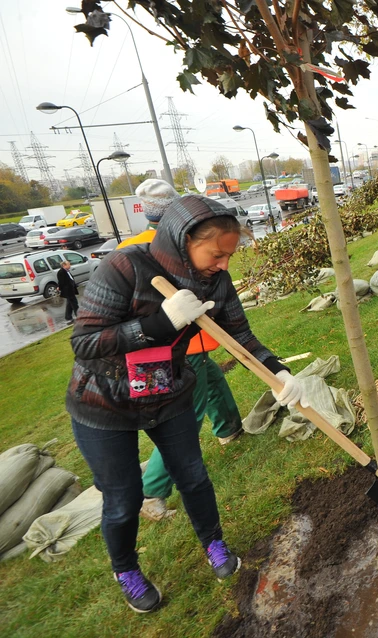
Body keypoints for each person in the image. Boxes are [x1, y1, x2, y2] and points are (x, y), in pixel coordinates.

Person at [66, 195, 309, 612]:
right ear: (183, 241)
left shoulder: (215, 281)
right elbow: (84, 343)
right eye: (217, 254)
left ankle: (213, 543)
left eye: (229, 256)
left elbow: (239, 335)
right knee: (123, 499)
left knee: (193, 477)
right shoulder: (124, 268)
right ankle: (126, 569)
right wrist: (156, 324)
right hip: (103, 401)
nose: (224, 265)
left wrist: (279, 371)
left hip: (167, 389)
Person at [117, 180, 246, 522]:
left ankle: (229, 428)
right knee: (184, 416)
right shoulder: (168, 251)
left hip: (173, 350)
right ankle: (152, 492)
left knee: (213, 380)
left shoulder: (132, 244)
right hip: (178, 352)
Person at [57, 259, 80, 323]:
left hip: (71, 289)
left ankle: (68, 317)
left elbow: (71, 279)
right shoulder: (61, 272)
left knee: (69, 304)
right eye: (69, 264)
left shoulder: (67, 271)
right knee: (74, 303)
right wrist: (60, 288)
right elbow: (61, 282)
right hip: (68, 291)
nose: (70, 265)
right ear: (64, 265)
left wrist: (74, 285)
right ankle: (79, 316)